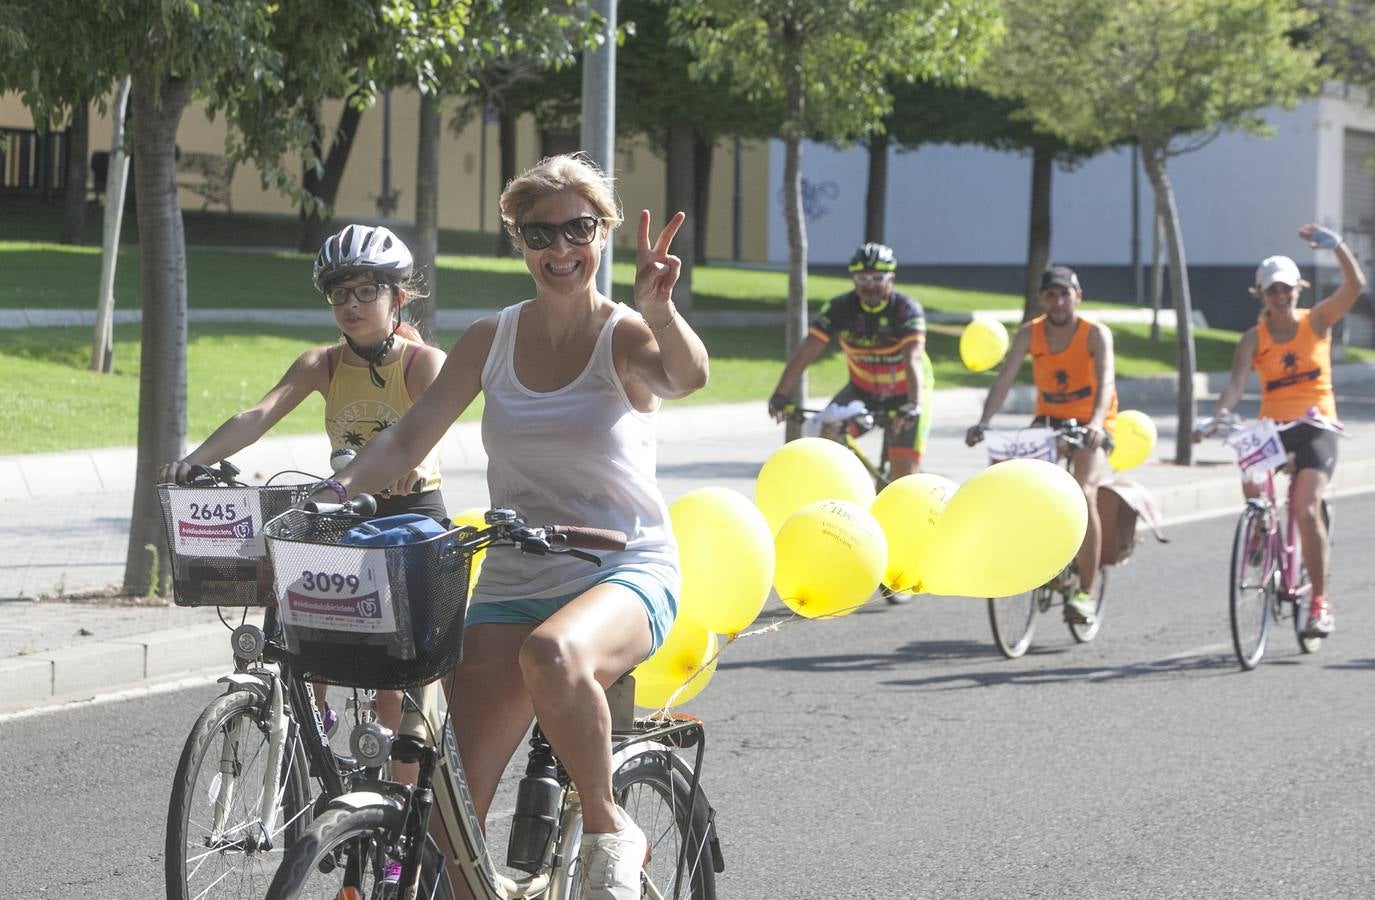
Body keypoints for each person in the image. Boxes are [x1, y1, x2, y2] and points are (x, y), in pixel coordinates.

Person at [312, 153, 709, 900]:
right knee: (447, 828)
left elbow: (683, 378)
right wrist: (325, 495)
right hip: (515, 575)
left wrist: (660, 309)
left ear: (604, 232)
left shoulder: (621, 335)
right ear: (517, 241)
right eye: (539, 233)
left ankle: (607, 829)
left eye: (578, 229)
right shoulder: (490, 338)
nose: (560, 250)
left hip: (621, 570)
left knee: (555, 654)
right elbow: (405, 440)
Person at [158, 224, 447, 821]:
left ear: (399, 296)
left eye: (366, 291)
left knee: (396, 687)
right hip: (345, 511)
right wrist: (194, 462)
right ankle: (314, 713)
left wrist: (409, 467)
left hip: (409, 520)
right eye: (339, 293)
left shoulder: (422, 362)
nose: (351, 306)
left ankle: (402, 815)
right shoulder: (321, 363)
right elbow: (256, 414)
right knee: (298, 600)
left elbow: (428, 429)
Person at [1199, 223, 1365, 638]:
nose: (1280, 295)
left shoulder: (1318, 321)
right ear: (1261, 294)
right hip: (1273, 426)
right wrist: (1216, 416)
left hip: (1315, 425)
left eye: (1286, 287)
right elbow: (1235, 386)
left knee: (1305, 508)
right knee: (1250, 473)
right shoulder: (1252, 339)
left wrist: (1338, 247)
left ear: (1297, 289)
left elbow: (1355, 284)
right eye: (1272, 289)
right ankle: (1259, 532)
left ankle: (1320, 604)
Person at [965, 266, 1117, 625]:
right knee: (1027, 488)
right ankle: (1040, 558)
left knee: (1084, 491)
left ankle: (1085, 592)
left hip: (1092, 422)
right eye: (1051, 295)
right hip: (1048, 420)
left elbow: (1106, 380)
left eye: (1065, 294)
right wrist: (985, 420)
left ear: (1077, 297)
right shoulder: (1029, 334)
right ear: (1041, 299)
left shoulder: (1095, 334)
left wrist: (1096, 423)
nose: (1059, 301)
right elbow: (1005, 379)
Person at [767, 242, 934, 476]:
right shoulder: (840, 308)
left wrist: (914, 404)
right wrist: (780, 394)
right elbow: (806, 351)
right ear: (853, 280)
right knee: (828, 438)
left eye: (877, 279)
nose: (870, 287)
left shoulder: (906, 310)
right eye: (863, 280)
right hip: (862, 390)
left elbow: (913, 357)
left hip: (908, 392)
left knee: (902, 477)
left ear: (891, 279)